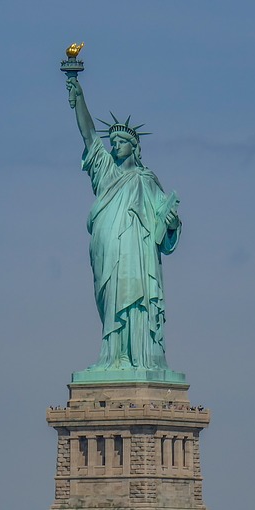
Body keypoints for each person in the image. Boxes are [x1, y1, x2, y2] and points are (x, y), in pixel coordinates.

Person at [66, 75, 181, 373]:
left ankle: (139, 358)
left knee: (136, 303)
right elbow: (89, 135)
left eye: (121, 142)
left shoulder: (146, 181)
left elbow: (164, 229)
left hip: (137, 255)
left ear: (134, 147)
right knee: (111, 303)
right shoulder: (104, 171)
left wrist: (170, 222)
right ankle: (114, 356)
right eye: (113, 142)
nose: (115, 146)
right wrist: (78, 96)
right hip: (108, 251)